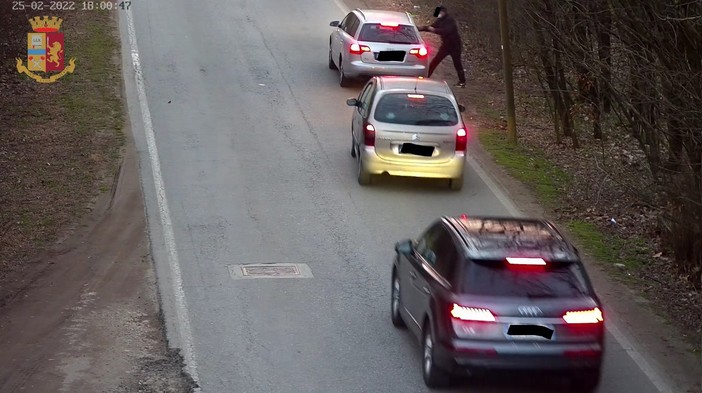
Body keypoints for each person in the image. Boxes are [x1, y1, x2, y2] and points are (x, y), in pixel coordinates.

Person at [418, 5, 466, 87]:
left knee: (457, 63)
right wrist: (420, 28)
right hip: (446, 45)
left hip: (455, 46)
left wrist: (435, 30)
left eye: (440, 12)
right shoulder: (440, 20)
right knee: (435, 61)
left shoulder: (450, 20)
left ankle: (462, 81)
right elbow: (431, 27)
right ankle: (426, 77)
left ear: (444, 12)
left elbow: (446, 31)